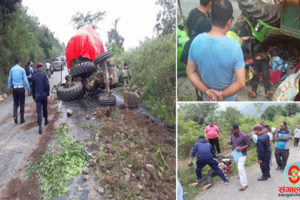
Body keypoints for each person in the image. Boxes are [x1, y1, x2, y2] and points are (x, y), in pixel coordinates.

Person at [186, 0, 246, 101]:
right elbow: (241, 82)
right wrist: (221, 94)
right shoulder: (235, 47)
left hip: (208, 98)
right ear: (229, 21)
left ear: (211, 17)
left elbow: (190, 71)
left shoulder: (197, 41)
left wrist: (207, 92)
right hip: (228, 99)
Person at [180, 0, 212, 65]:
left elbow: (186, 28)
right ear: (210, 3)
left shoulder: (193, 11)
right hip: (197, 58)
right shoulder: (206, 23)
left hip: (189, 52)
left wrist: (191, 37)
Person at [8, 58, 31, 124]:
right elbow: (25, 80)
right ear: (20, 62)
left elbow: (9, 79)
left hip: (15, 89)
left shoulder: (12, 69)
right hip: (21, 88)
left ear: (15, 62)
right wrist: (28, 89)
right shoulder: (22, 69)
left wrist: (9, 88)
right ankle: (22, 119)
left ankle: (15, 115)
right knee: (22, 103)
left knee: (15, 103)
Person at [228, 124, 250, 191]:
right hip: (235, 154)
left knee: (240, 168)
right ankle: (240, 176)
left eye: (232, 130)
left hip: (242, 154)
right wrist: (230, 142)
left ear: (236, 129)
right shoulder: (232, 135)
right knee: (238, 167)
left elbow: (248, 145)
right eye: (231, 130)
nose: (231, 132)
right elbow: (232, 142)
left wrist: (242, 148)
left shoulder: (244, 136)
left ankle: (244, 184)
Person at [32, 62, 50, 134]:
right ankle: (45, 120)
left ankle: (40, 125)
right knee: (45, 108)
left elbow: (32, 88)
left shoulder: (34, 76)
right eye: (42, 67)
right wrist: (47, 94)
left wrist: (33, 96)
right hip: (44, 95)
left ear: (37, 68)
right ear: (41, 67)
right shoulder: (44, 75)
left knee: (39, 111)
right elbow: (47, 85)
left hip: (37, 96)